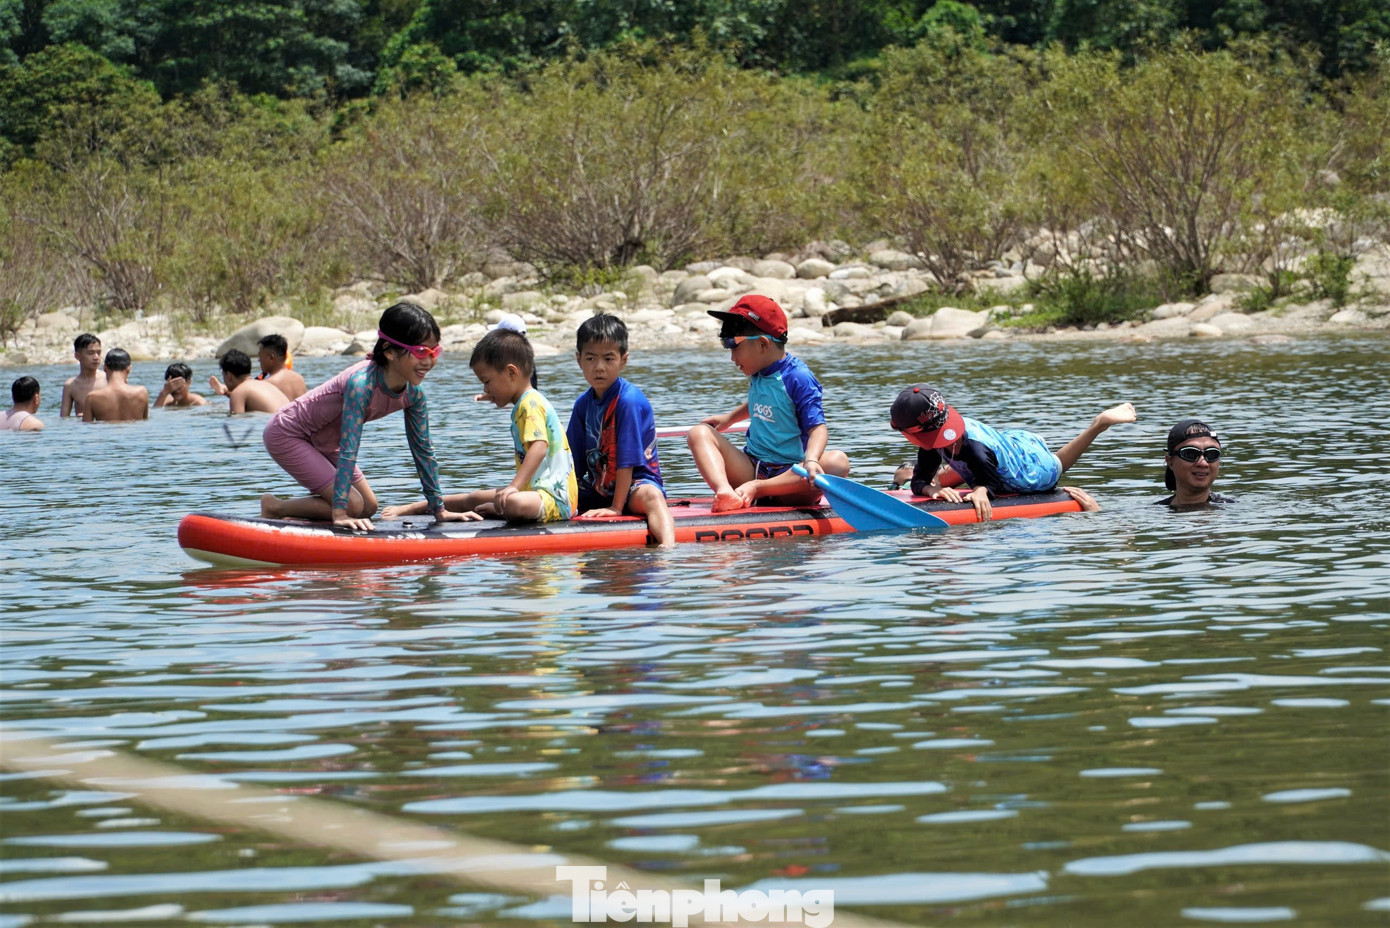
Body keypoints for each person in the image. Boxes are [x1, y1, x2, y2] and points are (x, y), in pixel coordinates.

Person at [259, 302, 470, 531]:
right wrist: (340, 513)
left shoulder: (414, 395)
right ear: (389, 352)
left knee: (368, 506)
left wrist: (439, 509)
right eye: (420, 352)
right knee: (352, 505)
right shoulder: (361, 385)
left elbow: (423, 451)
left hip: (327, 442)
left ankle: (301, 516)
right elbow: (350, 447)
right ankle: (275, 507)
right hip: (288, 433)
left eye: (434, 351)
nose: (428, 361)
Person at [384, 325, 577, 523]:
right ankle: (413, 508)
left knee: (513, 502)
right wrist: (494, 394)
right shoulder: (524, 402)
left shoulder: (530, 404)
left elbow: (539, 447)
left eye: (487, 381)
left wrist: (513, 487)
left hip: (554, 498)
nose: (485, 388)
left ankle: (498, 509)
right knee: (474, 497)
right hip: (533, 490)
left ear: (511, 373)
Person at [687, 295, 850, 512]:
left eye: (734, 347)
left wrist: (811, 460)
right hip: (752, 467)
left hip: (790, 479)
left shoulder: (798, 376)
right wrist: (729, 419)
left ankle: (759, 489)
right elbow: (762, 401)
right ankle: (726, 492)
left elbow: (817, 429)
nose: (732, 358)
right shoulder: (758, 370)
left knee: (838, 462)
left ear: (763, 344)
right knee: (698, 433)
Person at [889, 384, 1135, 521]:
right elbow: (921, 479)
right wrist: (932, 489)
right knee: (944, 478)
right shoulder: (941, 435)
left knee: (1055, 466)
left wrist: (981, 491)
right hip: (1006, 445)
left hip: (1028, 467)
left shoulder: (975, 449)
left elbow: (991, 485)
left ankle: (1099, 424)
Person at [566, 313, 675, 547]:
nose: (599, 367)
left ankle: (668, 550)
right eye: (591, 358)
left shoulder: (628, 401)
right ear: (579, 360)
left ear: (623, 360)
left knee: (652, 497)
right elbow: (572, 462)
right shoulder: (582, 404)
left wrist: (615, 508)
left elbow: (625, 462)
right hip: (599, 486)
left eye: (608, 359)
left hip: (635, 485)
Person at [1158, 418, 1231, 508]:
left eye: (1211, 454)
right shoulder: (1155, 511)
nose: (1203, 463)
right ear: (1170, 461)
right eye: (1190, 454)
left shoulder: (1232, 511)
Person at [211, 350, 290, 415]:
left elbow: (236, 424)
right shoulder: (266, 384)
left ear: (228, 375)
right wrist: (225, 392)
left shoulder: (238, 393)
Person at [83, 349, 149, 422]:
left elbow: (86, 429)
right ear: (129, 368)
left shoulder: (92, 397)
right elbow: (144, 425)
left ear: (104, 367)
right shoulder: (142, 392)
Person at [60, 333, 106, 418]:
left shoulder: (107, 380)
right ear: (78, 356)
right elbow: (64, 419)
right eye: (90, 353)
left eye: (98, 353)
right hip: (81, 430)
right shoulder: (70, 385)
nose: (96, 357)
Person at [256, 334, 307, 400]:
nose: (259, 360)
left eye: (260, 356)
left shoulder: (267, 384)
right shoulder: (300, 379)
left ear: (271, 357)